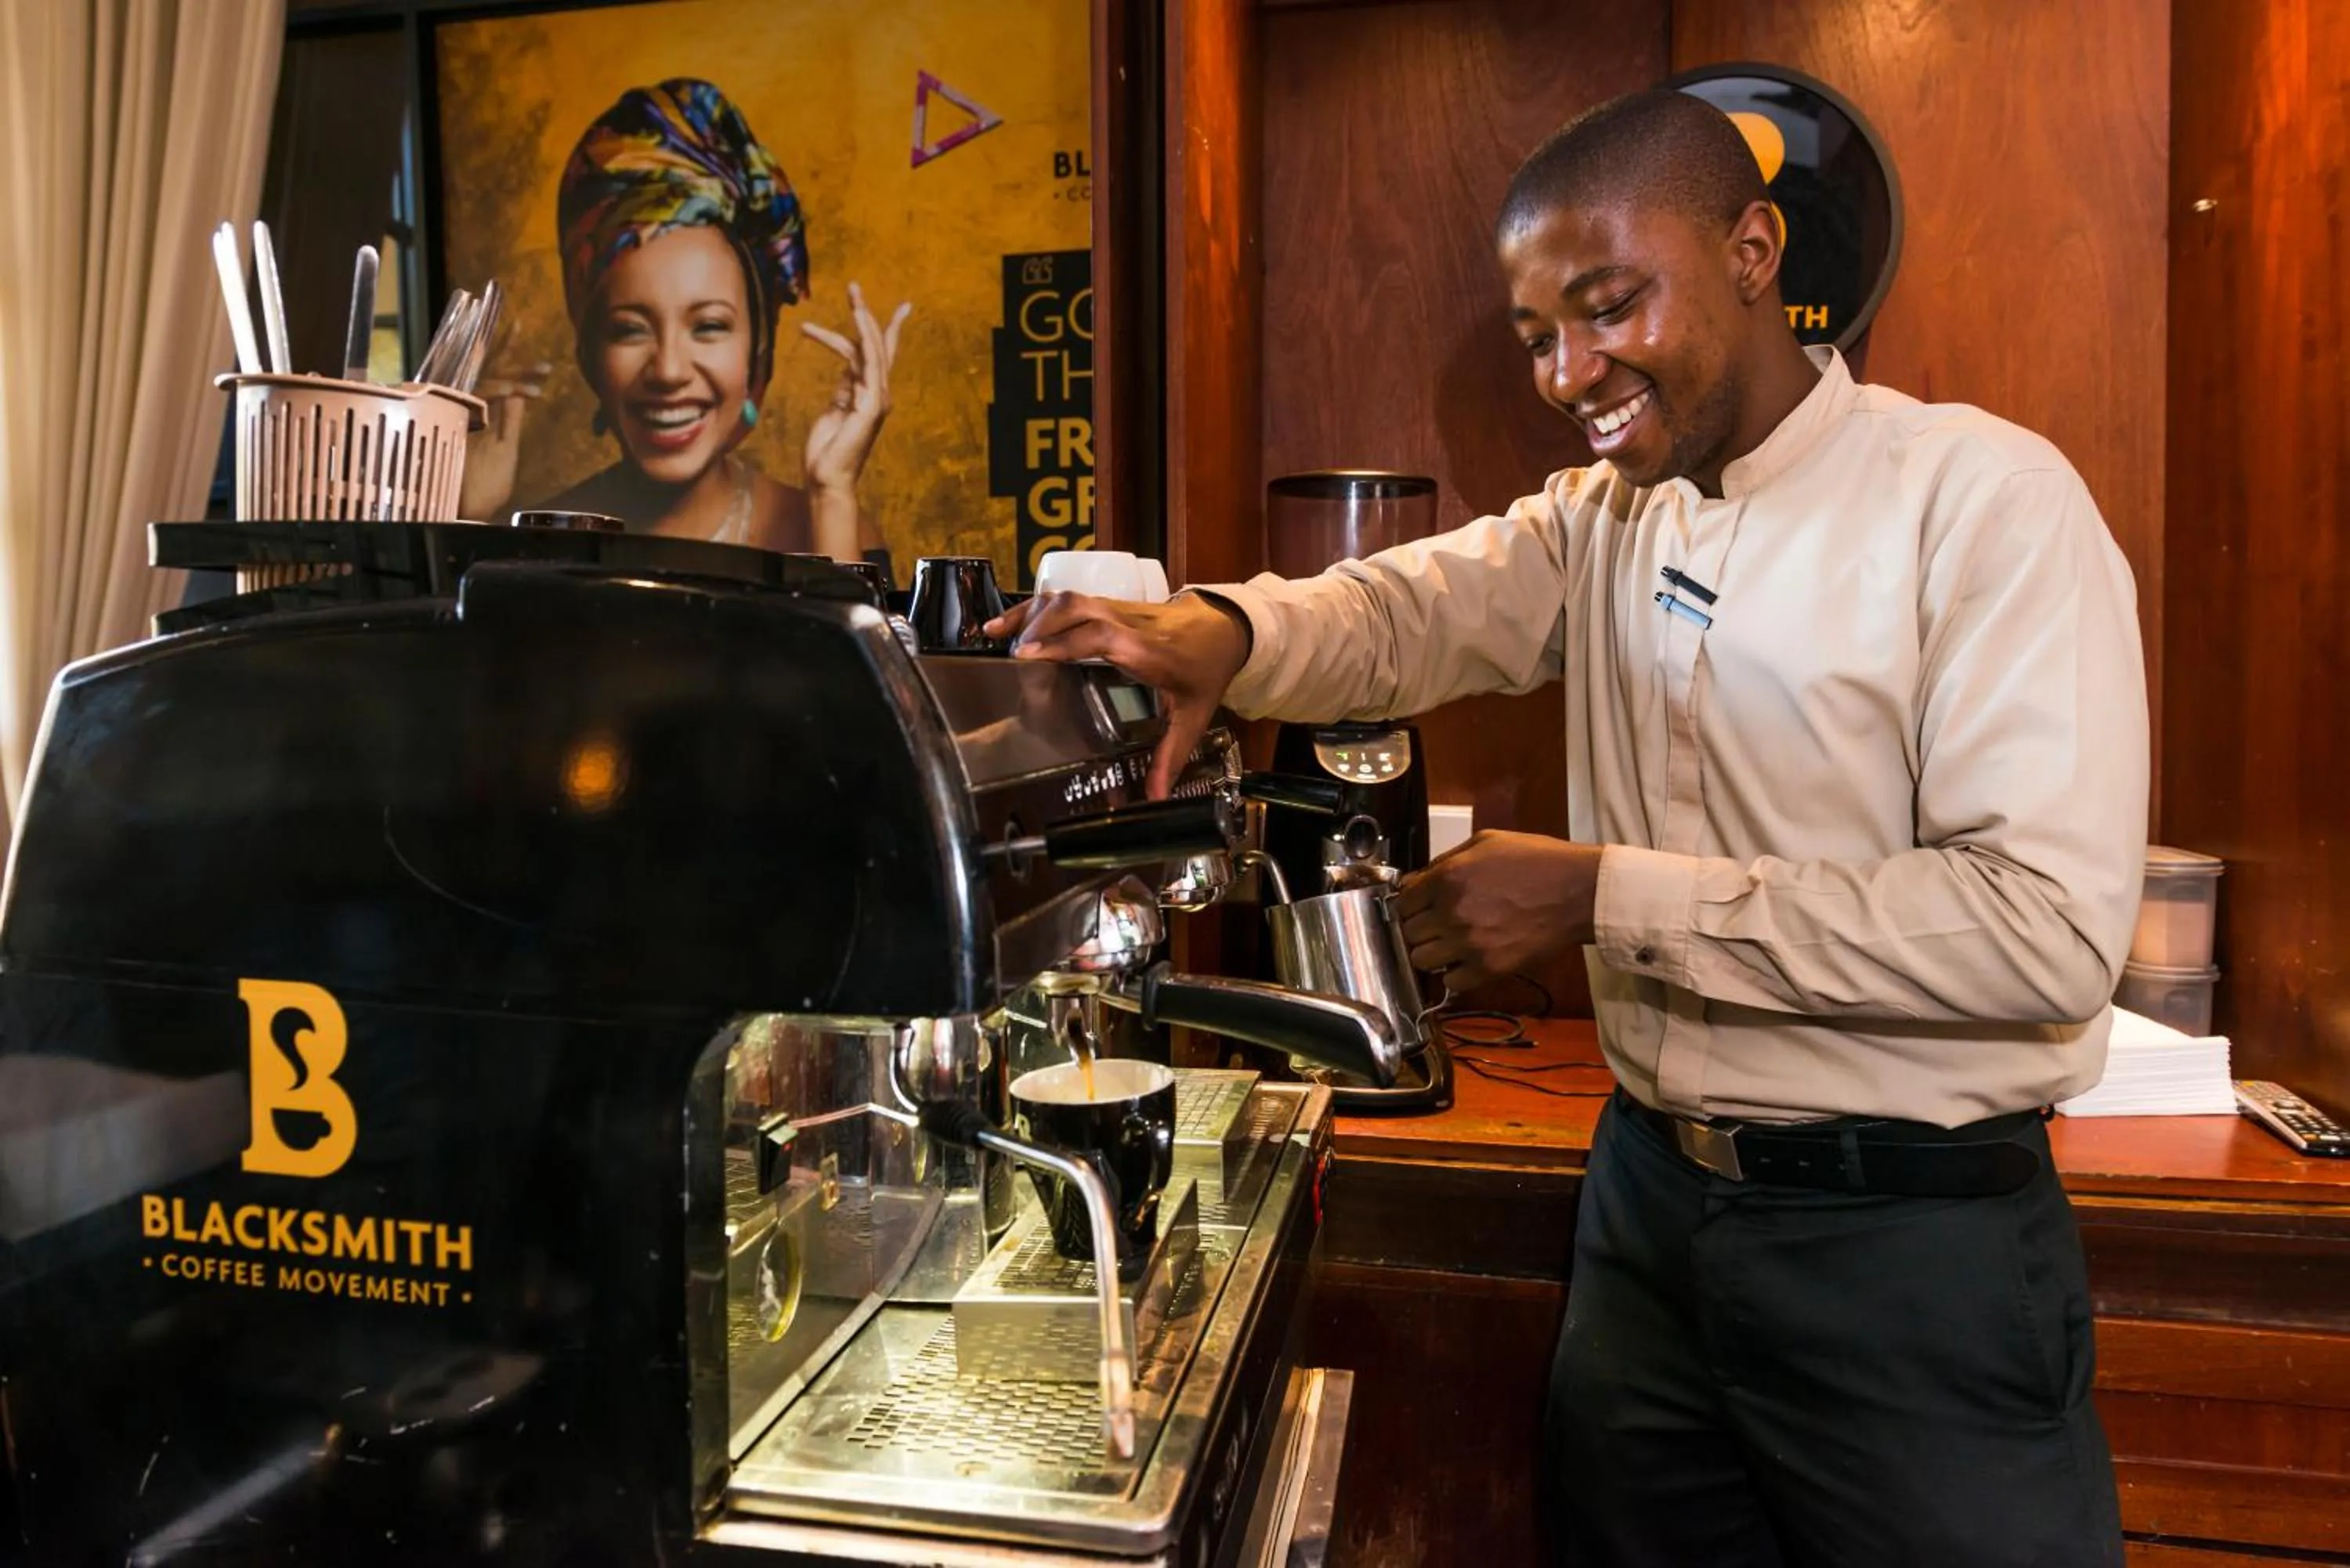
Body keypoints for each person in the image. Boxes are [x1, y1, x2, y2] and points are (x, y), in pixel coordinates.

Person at [988, 89, 2145, 1568]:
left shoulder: (1983, 502)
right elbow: (1417, 603)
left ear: (1752, 248)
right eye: (1539, 333)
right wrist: (1220, 629)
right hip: (1651, 1214)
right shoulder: (1612, 515)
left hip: (1910, 1248)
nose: (1567, 370)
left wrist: (1605, 900)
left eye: (1608, 307)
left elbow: (2040, 936)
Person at [461, 78, 909, 571]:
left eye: (710, 326)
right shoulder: (533, 540)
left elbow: (857, 650)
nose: (669, 371)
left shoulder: (833, 526)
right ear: (589, 349)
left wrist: (831, 493)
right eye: (629, 329)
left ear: (757, 347)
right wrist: (464, 518)